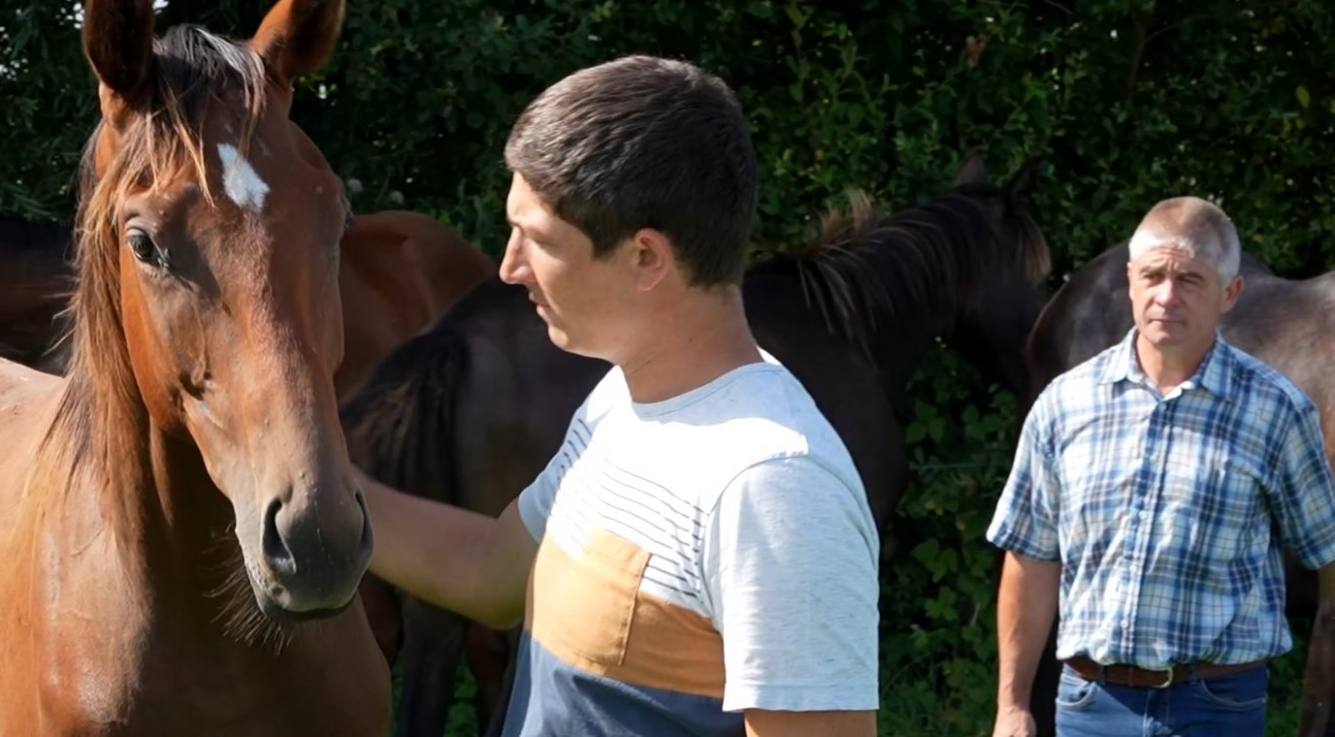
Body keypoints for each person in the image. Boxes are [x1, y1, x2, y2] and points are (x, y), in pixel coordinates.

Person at [357, 55, 880, 736]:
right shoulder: (619, 402)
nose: (509, 267)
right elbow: (490, 571)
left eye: (537, 239)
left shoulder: (771, 489)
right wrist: (317, 484)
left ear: (646, 259)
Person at [987, 196, 1335, 736]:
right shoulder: (1064, 404)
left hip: (1216, 708)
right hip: (1090, 708)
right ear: (1130, 280)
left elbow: (1328, 552)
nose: (1167, 297)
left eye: (1191, 280)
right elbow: (1030, 559)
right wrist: (1012, 706)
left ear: (1231, 294)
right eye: (1153, 276)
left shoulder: (1277, 412)